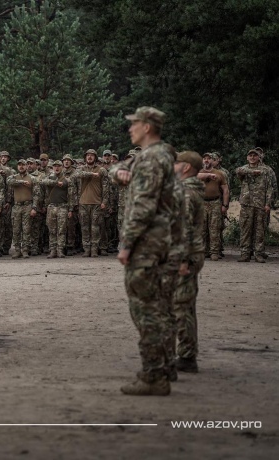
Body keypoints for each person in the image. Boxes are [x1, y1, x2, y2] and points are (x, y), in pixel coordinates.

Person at [117, 106, 176, 396]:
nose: (131, 128)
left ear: (147, 127)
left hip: (146, 243)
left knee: (145, 309)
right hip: (159, 240)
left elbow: (143, 206)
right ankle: (165, 367)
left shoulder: (151, 158)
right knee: (158, 306)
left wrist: (127, 243)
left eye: (135, 124)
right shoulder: (162, 154)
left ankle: (153, 375)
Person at [172, 151, 206, 373]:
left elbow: (182, 229)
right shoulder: (190, 190)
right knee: (185, 305)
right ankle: (187, 353)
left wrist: (182, 260)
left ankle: (186, 356)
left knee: (180, 306)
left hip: (185, 256)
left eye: (177, 162)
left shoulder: (184, 193)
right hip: (191, 254)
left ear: (186, 167)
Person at [236, 149, 274, 263]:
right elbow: (238, 171)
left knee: (260, 230)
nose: (252, 157)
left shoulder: (266, 170)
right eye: (250, 155)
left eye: (255, 155)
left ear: (258, 157)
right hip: (247, 204)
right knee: (245, 229)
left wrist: (268, 204)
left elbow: (270, 188)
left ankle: (259, 254)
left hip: (260, 204)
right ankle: (245, 254)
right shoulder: (244, 169)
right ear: (247, 157)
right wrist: (252, 172)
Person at [73, 149, 110, 257]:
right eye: (88, 155)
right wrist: (92, 174)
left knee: (95, 227)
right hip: (83, 203)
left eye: (92, 155)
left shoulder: (102, 170)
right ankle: (86, 249)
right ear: (85, 157)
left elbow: (106, 187)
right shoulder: (81, 168)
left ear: (95, 157)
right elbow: (77, 175)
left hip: (97, 203)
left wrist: (104, 201)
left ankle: (94, 249)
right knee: (84, 227)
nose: (89, 157)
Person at [39, 160, 77, 258]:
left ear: (62, 167)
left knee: (62, 230)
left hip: (63, 207)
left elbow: (71, 195)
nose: (57, 168)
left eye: (59, 166)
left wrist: (70, 209)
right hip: (51, 206)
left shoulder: (67, 179)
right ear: (52, 168)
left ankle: (60, 249)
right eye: (55, 166)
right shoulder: (49, 177)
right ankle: (53, 250)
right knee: (51, 229)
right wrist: (55, 182)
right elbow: (42, 182)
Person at [197, 152, 229, 261]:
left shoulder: (220, 173)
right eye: (204, 158)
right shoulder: (197, 172)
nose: (206, 160)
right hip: (201, 203)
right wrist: (208, 175)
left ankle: (214, 251)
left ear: (213, 160)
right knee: (201, 229)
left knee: (214, 228)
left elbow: (225, 190)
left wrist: (225, 205)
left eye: (209, 158)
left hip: (215, 203)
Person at [7, 159, 37, 258]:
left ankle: (25, 250)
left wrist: (34, 208)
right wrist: (22, 182)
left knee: (26, 229)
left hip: (28, 205)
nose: (21, 167)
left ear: (26, 166)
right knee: (16, 229)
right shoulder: (14, 177)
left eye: (23, 165)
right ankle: (17, 250)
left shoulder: (32, 178)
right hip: (17, 206)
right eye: (19, 165)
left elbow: (36, 194)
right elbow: (9, 181)